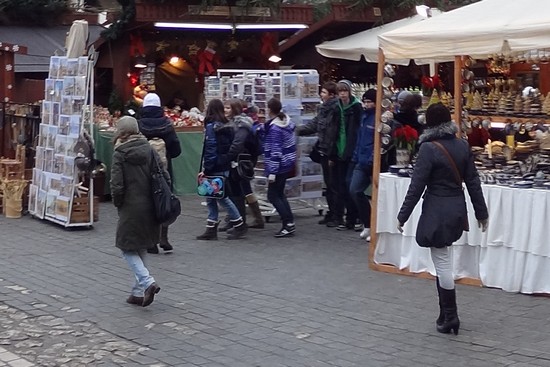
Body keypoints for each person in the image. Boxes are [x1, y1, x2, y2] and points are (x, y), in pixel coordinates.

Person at [397, 103, 488, 335]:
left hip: (437, 209)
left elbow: (416, 187)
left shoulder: (428, 149)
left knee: (443, 261)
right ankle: (445, 313)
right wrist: (481, 213)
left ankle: (450, 315)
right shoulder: (462, 145)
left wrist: (402, 216)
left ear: (430, 123)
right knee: (443, 258)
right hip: (457, 207)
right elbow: (473, 182)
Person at [111, 116, 162, 307]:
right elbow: (163, 175)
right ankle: (137, 292)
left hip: (131, 206)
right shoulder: (149, 149)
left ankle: (147, 283)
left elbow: (117, 185)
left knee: (126, 247)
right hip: (150, 205)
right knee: (140, 246)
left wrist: (118, 204)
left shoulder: (119, 153)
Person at [196, 99, 247, 240]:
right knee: (212, 197)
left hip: (214, 166)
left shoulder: (212, 127)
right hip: (223, 165)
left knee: (221, 198)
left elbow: (210, 149)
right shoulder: (228, 126)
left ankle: (238, 224)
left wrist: (206, 169)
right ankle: (211, 227)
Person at [138, 92, 182, 254]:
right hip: (164, 170)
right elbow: (176, 150)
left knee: (148, 202)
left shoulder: (139, 125)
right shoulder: (167, 125)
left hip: (144, 170)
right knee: (164, 200)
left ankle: (151, 241)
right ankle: (164, 236)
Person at [296, 81, 340, 226]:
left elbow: (334, 133)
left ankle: (336, 215)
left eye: (324, 92)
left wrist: (332, 153)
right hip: (323, 150)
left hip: (330, 151)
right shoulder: (323, 109)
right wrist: (296, 130)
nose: (321, 94)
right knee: (328, 183)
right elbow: (314, 124)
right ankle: (332, 212)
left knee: (333, 184)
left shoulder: (335, 109)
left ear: (332, 95)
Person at [219, 98, 263, 232]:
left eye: (228, 108)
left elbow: (237, 144)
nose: (225, 111)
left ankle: (240, 221)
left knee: (240, 190)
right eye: (224, 108)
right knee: (238, 190)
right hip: (239, 160)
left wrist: (226, 157)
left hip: (241, 161)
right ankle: (236, 219)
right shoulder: (231, 123)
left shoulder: (242, 124)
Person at [263, 98, 297, 237]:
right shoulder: (287, 124)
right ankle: (289, 222)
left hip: (279, 166)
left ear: (269, 109)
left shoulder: (275, 129)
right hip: (287, 163)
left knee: (273, 195)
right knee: (280, 194)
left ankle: (288, 223)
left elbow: (275, 151)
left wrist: (272, 172)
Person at [332, 79, 362, 231]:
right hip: (339, 150)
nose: (343, 94)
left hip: (351, 152)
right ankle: (345, 218)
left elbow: (357, 131)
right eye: (340, 91)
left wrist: (353, 149)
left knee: (349, 185)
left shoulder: (356, 107)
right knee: (341, 186)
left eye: (345, 91)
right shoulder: (336, 107)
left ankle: (353, 217)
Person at [350, 89, 377, 242]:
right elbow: (359, 139)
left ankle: (374, 226)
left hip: (372, 162)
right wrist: (355, 156)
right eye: (365, 102)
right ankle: (367, 223)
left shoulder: (378, 117)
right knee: (354, 190)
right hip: (361, 160)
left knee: (376, 196)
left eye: (369, 102)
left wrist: (373, 158)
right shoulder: (363, 117)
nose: (367, 105)